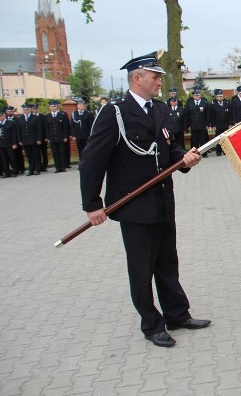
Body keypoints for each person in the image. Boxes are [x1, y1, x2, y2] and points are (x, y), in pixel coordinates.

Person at [79, 51, 210, 348]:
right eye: (155, 77)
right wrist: (92, 204)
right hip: (134, 205)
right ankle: (151, 324)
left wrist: (185, 160)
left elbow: (170, 148)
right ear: (138, 78)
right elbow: (91, 161)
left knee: (167, 261)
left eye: (160, 77)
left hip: (163, 200)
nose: (160, 82)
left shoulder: (161, 110)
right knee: (142, 267)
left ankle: (177, 313)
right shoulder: (115, 113)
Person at [44, 100, 70, 173]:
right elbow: (46, 127)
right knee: (55, 153)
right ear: (49, 107)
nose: (53, 108)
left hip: (61, 137)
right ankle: (57, 167)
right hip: (52, 138)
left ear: (57, 107)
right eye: (52, 106)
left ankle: (63, 167)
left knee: (62, 152)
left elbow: (65, 126)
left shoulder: (62, 115)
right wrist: (47, 137)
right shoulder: (47, 116)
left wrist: (65, 136)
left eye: (54, 106)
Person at [17, 103, 42, 176]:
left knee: (36, 155)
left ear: (30, 109)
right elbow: (19, 130)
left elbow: (39, 129)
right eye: (24, 109)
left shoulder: (35, 117)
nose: (26, 110)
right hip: (25, 140)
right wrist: (20, 140)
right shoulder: (20, 118)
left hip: (34, 140)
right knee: (29, 156)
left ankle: (37, 169)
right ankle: (31, 169)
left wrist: (39, 139)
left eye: (27, 109)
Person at [184, 89, 209, 157]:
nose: (197, 96)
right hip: (193, 125)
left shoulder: (205, 103)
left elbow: (207, 114)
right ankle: (195, 154)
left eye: (198, 95)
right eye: (196, 95)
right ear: (193, 96)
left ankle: (204, 153)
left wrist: (207, 124)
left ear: (200, 95)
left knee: (203, 140)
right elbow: (187, 115)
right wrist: (188, 125)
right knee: (194, 140)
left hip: (202, 125)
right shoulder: (190, 104)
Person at [209, 89, 231, 156]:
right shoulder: (213, 105)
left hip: (226, 125)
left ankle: (225, 151)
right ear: (216, 97)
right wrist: (213, 125)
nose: (220, 97)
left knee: (226, 139)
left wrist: (230, 124)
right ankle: (218, 151)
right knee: (218, 139)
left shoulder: (226, 103)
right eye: (219, 96)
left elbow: (229, 115)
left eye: (221, 96)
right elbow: (212, 116)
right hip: (218, 125)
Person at [0, 108, 19, 178]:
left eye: (1, 116)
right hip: (1, 145)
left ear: (4, 116)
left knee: (12, 159)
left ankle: (14, 171)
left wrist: (14, 143)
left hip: (10, 144)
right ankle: (7, 172)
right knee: (4, 159)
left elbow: (14, 134)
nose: (0, 118)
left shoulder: (10, 123)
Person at [32, 104, 49, 172]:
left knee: (44, 153)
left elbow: (46, 127)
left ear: (38, 109)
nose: (35, 110)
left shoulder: (43, 116)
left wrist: (46, 137)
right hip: (34, 139)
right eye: (34, 109)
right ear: (32, 109)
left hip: (43, 138)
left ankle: (45, 166)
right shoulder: (30, 117)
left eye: (36, 109)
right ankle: (38, 166)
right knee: (36, 153)